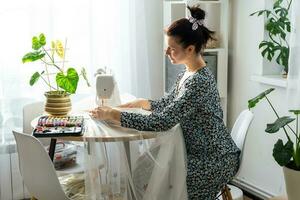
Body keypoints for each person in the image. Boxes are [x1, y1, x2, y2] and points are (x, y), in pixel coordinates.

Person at [90, 5, 240, 200]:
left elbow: (162, 122)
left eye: (172, 48)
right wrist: (142, 102)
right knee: (145, 169)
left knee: (159, 176)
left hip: (214, 160)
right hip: (201, 153)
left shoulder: (198, 82)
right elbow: (168, 103)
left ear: (190, 49)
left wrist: (113, 114)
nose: (166, 51)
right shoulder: (189, 72)